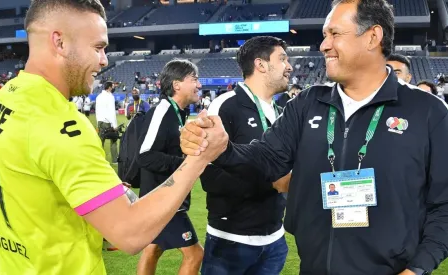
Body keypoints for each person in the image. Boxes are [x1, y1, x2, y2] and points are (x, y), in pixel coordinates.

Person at [180, 1, 448, 275]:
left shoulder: (427, 111)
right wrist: (223, 149)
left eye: (335, 34)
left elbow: (444, 205)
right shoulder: (308, 103)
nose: (324, 45)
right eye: (324, 35)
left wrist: (417, 269)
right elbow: (267, 157)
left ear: (372, 37)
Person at [0, 1, 227, 274]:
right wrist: (200, 158)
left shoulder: (8, 94)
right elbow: (129, 235)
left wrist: (108, 193)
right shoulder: (63, 126)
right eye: (98, 47)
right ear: (59, 42)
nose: (104, 60)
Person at [200, 36, 292, 275]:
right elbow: (208, 177)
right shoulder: (225, 106)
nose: (289, 66)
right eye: (282, 59)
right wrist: (273, 182)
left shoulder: (283, 113)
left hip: (274, 240)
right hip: (231, 241)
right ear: (260, 65)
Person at [136, 59, 204, 275]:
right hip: (162, 201)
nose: (199, 85)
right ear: (177, 85)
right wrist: (186, 164)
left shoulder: (178, 112)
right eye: (194, 79)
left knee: (152, 249)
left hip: (167, 198)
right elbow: (145, 156)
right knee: (195, 254)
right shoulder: (162, 110)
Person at [96, 81, 118, 163]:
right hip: (108, 122)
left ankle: (99, 160)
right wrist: (114, 125)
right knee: (114, 140)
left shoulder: (98, 96)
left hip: (100, 122)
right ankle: (115, 160)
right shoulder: (110, 96)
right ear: (109, 87)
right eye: (112, 86)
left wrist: (98, 121)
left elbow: (97, 111)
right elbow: (112, 112)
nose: (113, 88)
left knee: (101, 141)